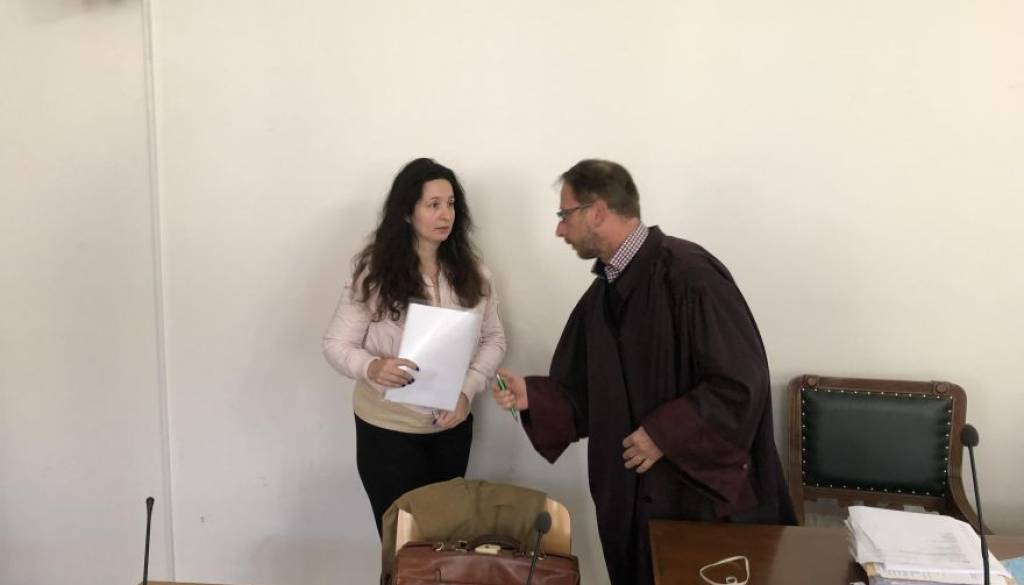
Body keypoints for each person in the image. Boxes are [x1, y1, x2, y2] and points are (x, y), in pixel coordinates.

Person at [491, 159, 795, 585]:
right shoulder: (602, 296)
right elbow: (584, 393)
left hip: (698, 506)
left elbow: (741, 384)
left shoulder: (691, 276)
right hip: (632, 507)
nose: (560, 229)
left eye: (565, 214)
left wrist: (664, 433)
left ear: (598, 211)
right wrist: (532, 396)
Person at [323, 157, 506, 537]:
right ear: (407, 213)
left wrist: (467, 391)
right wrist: (371, 367)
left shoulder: (475, 273)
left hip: (451, 430)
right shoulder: (374, 273)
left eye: (451, 204)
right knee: (402, 545)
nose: (445, 215)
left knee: (444, 542)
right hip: (387, 431)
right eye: (433, 204)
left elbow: (494, 339)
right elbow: (336, 344)